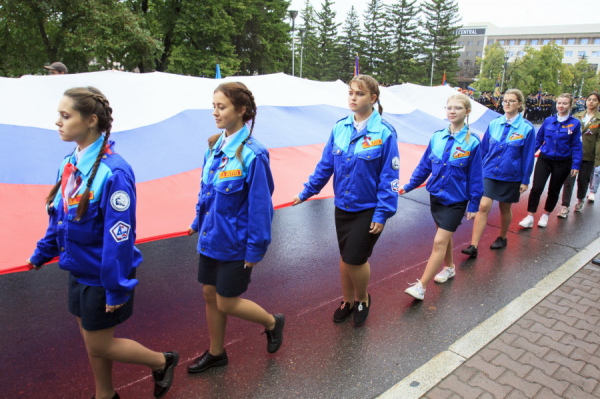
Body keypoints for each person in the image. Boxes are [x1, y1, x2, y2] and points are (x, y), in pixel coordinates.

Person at [26, 87, 177, 399]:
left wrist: (116, 286)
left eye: (65, 116)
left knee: (99, 343)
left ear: (91, 120)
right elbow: (59, 219)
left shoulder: (115, 171)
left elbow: (119, 237)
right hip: (78, 270)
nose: (58, 122)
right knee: (91, 338)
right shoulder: (68, 164)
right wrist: (42, 253)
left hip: (103, 274)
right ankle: (105, 393)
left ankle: (162, 361)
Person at [186, 82, 284, 374]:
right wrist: (196, 221)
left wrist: (255, 248)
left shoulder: (254, 154)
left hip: (235, 244)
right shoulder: (215, 146)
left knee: (226, 302)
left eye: (222, 107)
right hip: (210, 237)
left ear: (241, 110)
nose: (215, 112)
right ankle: (217, 353)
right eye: (213, 106)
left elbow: (261, 207)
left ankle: (272, 322)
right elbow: (207, 192)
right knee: (208, 293)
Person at [292, 74, 399, 326]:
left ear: (373, 98)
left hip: (368, 208)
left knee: (355, 258)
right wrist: (306, 192)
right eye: (350, 93)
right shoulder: (339, 127)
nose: (353, 98)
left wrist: (382, 213)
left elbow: (389, 177)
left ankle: (363, 299)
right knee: (345, 257)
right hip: (343, 207)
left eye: (359, 94)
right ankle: (347, 300)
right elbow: (325, 166)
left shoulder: (385, 133)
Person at [401, 93, 483, 300]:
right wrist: (409, 186)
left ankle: (421, 286)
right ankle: (450, 267)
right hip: (436, 197)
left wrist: (473, 204)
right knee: (443, 238)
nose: (452, 111)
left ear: (467, 112)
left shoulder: (472, 142)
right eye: (449, 108)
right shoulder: (437, 137)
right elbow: (424, 166)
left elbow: (475, 177)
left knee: (439, 242)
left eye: (458, 108)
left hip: (456, 201)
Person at [462, 89, 535, 257]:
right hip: (489, 171)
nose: (507, 103)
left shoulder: (527, 128)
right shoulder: (494, 124)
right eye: (505, 100)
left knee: (504, 207)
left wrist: (525, 180)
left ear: (519, 104)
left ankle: (502, 237)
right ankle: (474, 246)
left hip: (510, 174)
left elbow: (528, 156)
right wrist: (474, 171)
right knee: (483, 205)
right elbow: (483, 150)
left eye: (512, 101)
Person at [519, 93, 583, 228]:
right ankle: (530, 216)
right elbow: (539, 139)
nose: (561, 106)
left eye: (565, 103)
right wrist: (529, 154)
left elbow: (577, 145)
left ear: (570, 105)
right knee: (536, 187)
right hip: (545, 159)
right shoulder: (548, 121)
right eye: (559, 103)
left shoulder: (575, 124)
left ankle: (546, 214)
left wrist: (576, 165)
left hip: (563, 162)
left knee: (554, 190)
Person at [558, 92, 600, 215]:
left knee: (583, 180)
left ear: (598, 103)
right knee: (568, 180)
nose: (590, 102)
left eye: (594, 100)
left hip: (588, 155)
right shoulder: (577, 116)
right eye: (589, 99)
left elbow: (599, 140)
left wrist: (597, 158)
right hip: (572, 154)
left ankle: (580, 199)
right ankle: (565, 206)